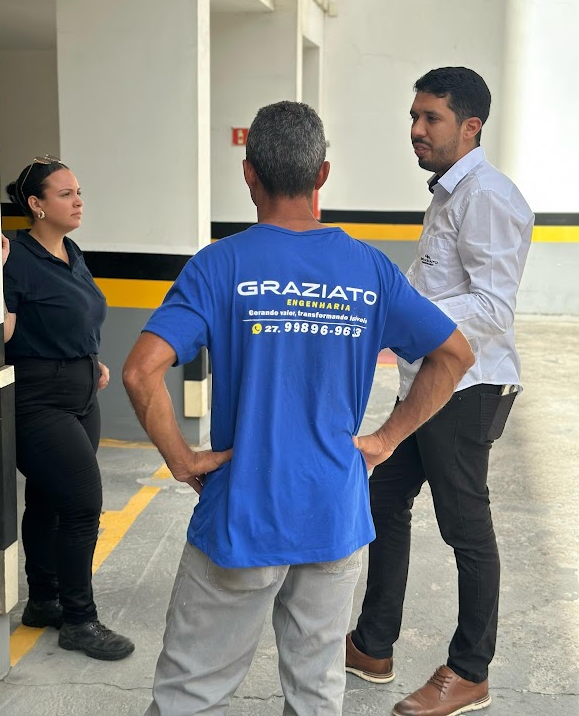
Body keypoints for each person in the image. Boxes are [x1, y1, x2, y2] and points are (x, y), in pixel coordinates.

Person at [122, 101, 474, 716]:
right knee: (316, 693)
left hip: (243, 513)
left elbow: (139, 370)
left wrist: (180, 459)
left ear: (249, 174)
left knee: (192, 695)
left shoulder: (219, 265)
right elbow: (454, 355)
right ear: (324, 175)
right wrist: (384, 440)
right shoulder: (369, 268)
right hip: (333, 514)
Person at [346, 68, 534, 716]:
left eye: (431, 118)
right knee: (383, 494)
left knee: (466, 529)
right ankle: (373, 645)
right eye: (414, 117)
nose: (416, 130)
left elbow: (491, 305)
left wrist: (403, 325)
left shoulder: (487, 195)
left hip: (467, 386)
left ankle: (470, 670)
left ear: (470, 126)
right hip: (431, 382)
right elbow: (431, 282)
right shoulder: (451, 194)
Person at [2, 155, 134, 661]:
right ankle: (79, 618)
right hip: (38, 398)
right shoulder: (13, 258)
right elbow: (7, 329)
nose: (78, 200)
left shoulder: (71, 251)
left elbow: (75, 315)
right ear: (36, 205)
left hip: (80, 391)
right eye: (65, 194)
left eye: (78, 191)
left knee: (49, 501)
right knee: (82, 504)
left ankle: (43, 600)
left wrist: (91, 360)